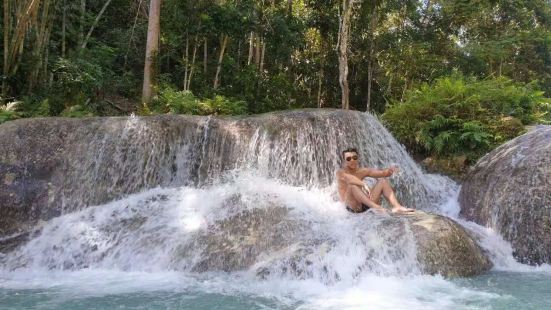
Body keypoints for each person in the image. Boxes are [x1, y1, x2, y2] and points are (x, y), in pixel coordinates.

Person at [336, 147, 415, 214]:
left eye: (354, 158)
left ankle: (397, 207)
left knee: (383, 181)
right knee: (352, 186)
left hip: (365, 205)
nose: (352, 160)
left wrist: (389, 171)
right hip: (351, 208)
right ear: (344, 161)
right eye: (348, 159)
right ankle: (377, 207)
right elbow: (349, 179)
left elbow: (381, 173)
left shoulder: (362, 171)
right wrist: (363, 184)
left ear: (358, 158)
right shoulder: (340, 172)